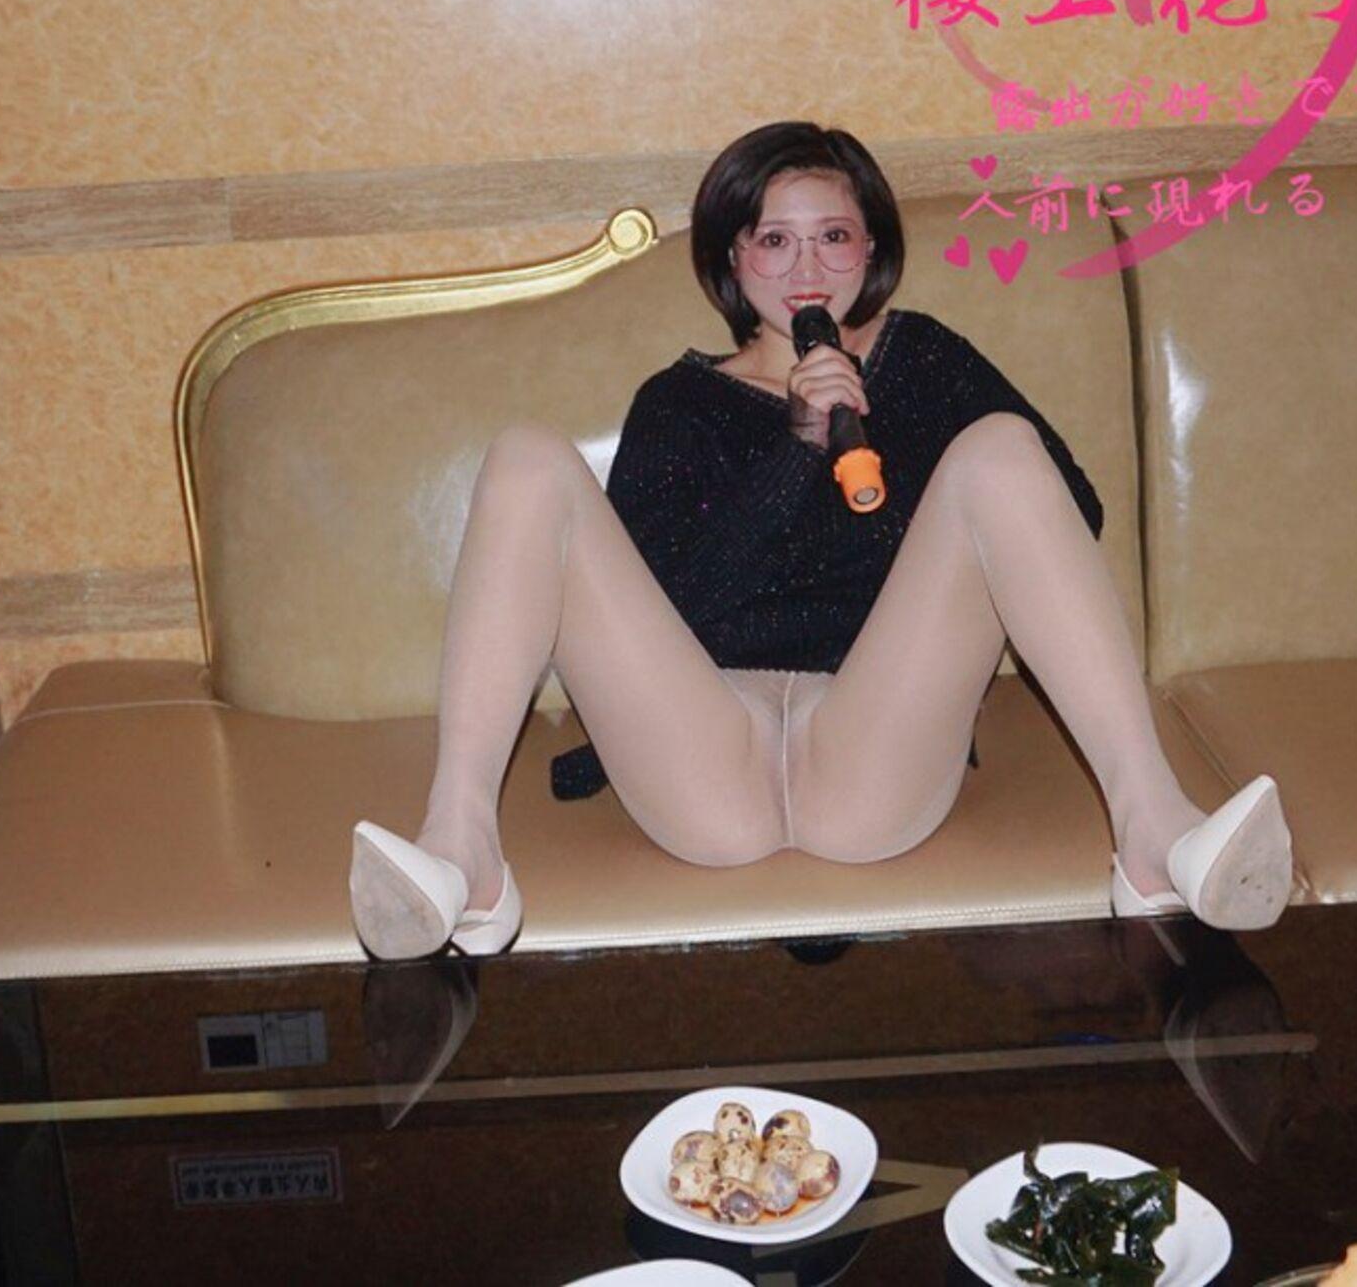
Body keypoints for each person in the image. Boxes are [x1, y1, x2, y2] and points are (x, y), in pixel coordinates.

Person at [348, 122, 1292, 959]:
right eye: (774, 239)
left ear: (870, 247)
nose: (807, 267)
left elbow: (1065, 515)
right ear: (732, 257)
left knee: (1002, 449)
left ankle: (1153, 829)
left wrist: (895, 447)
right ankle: (463, 848)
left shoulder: (925, 359)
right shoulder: (678, 401)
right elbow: (663, 606)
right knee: (526, 459)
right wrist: (798, 446)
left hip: (872, 751)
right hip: (704, 759)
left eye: (833, 235)